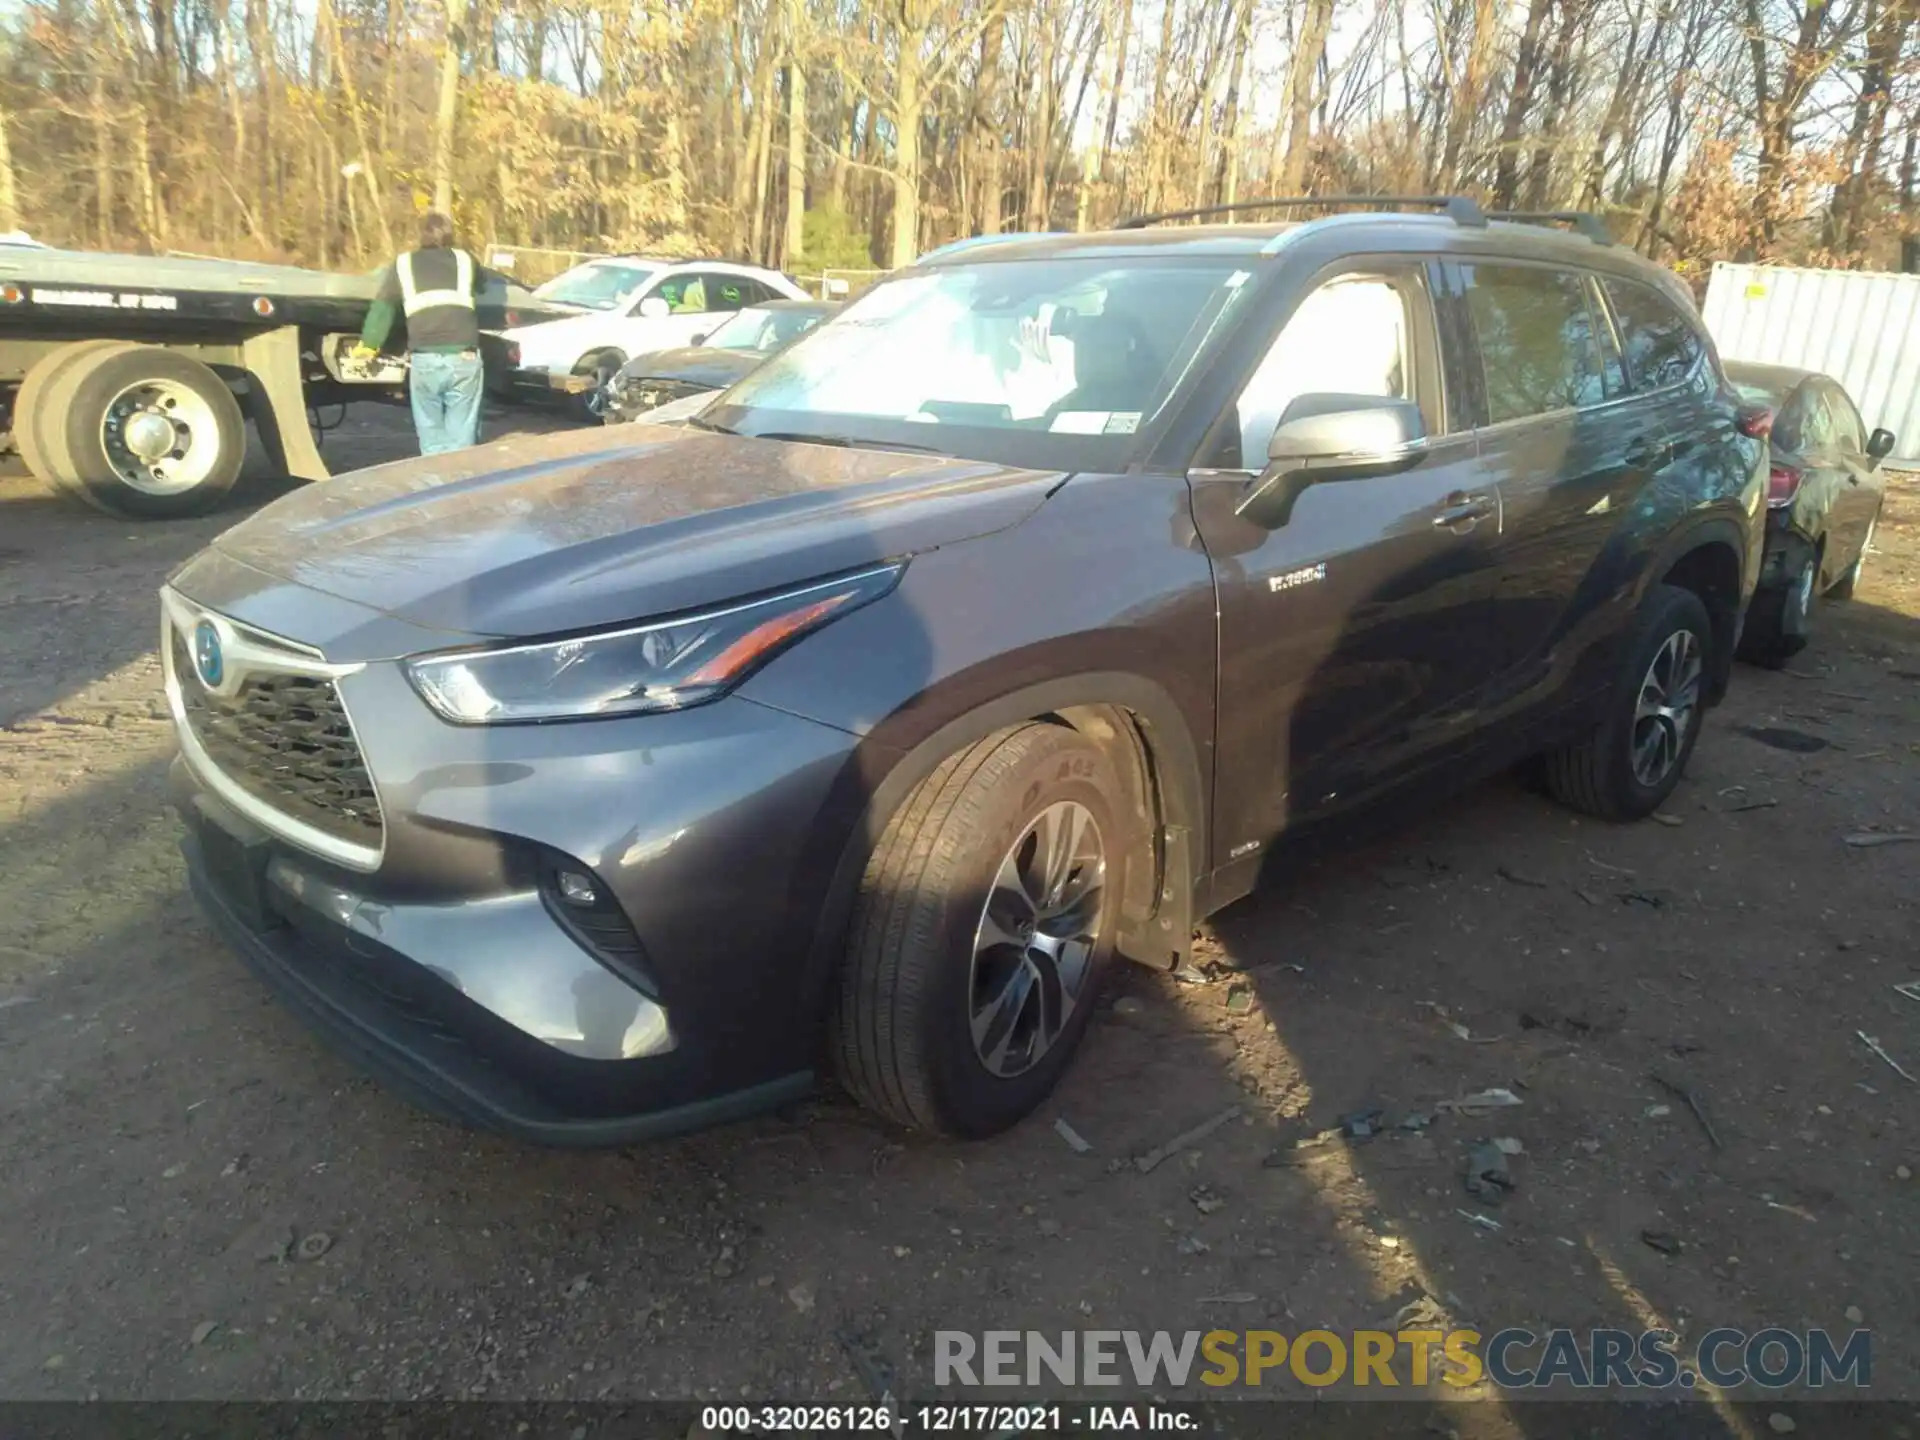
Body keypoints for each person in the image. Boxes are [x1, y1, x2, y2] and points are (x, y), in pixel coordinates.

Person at [353, 212, 488, 456]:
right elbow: (482, 285)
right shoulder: (466, 259)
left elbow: (383, 307)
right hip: (464, 358)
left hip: (424, 360)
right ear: (449, 234)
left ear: (421, 235)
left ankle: (435, 484)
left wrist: (368, 345)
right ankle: (460, 484)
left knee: (431, 439)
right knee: (463, 440)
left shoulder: (403, 264)